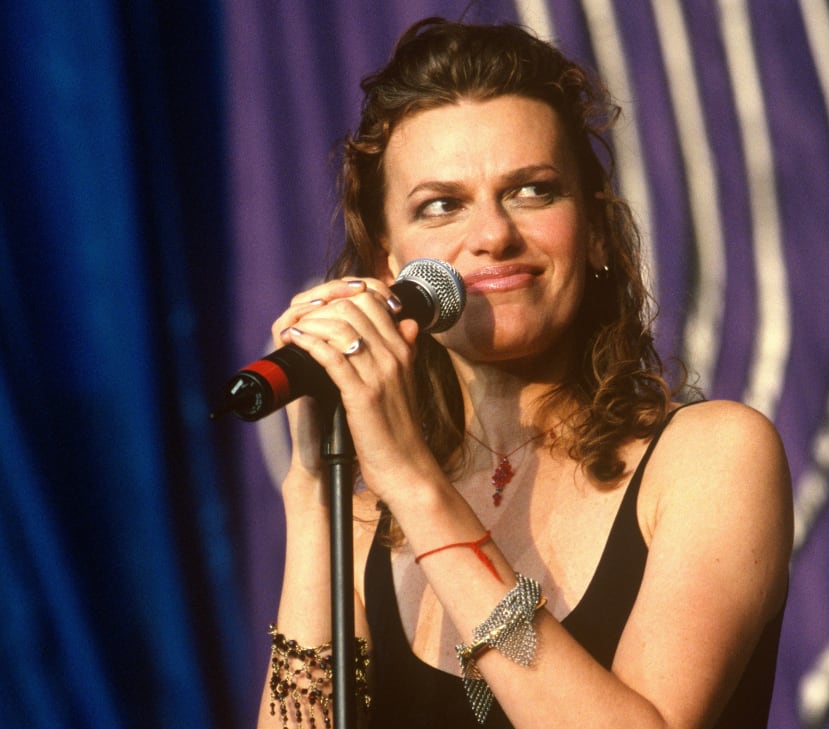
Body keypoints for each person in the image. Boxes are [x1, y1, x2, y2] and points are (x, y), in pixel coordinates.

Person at [257, 17, 792, 729]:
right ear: (391, 262)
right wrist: (311, 496)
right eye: (440, 205)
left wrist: (415, 485)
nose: (491, 235)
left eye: (532, 190)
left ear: (596, 228)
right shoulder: (360, 523)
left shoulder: (710, 456)